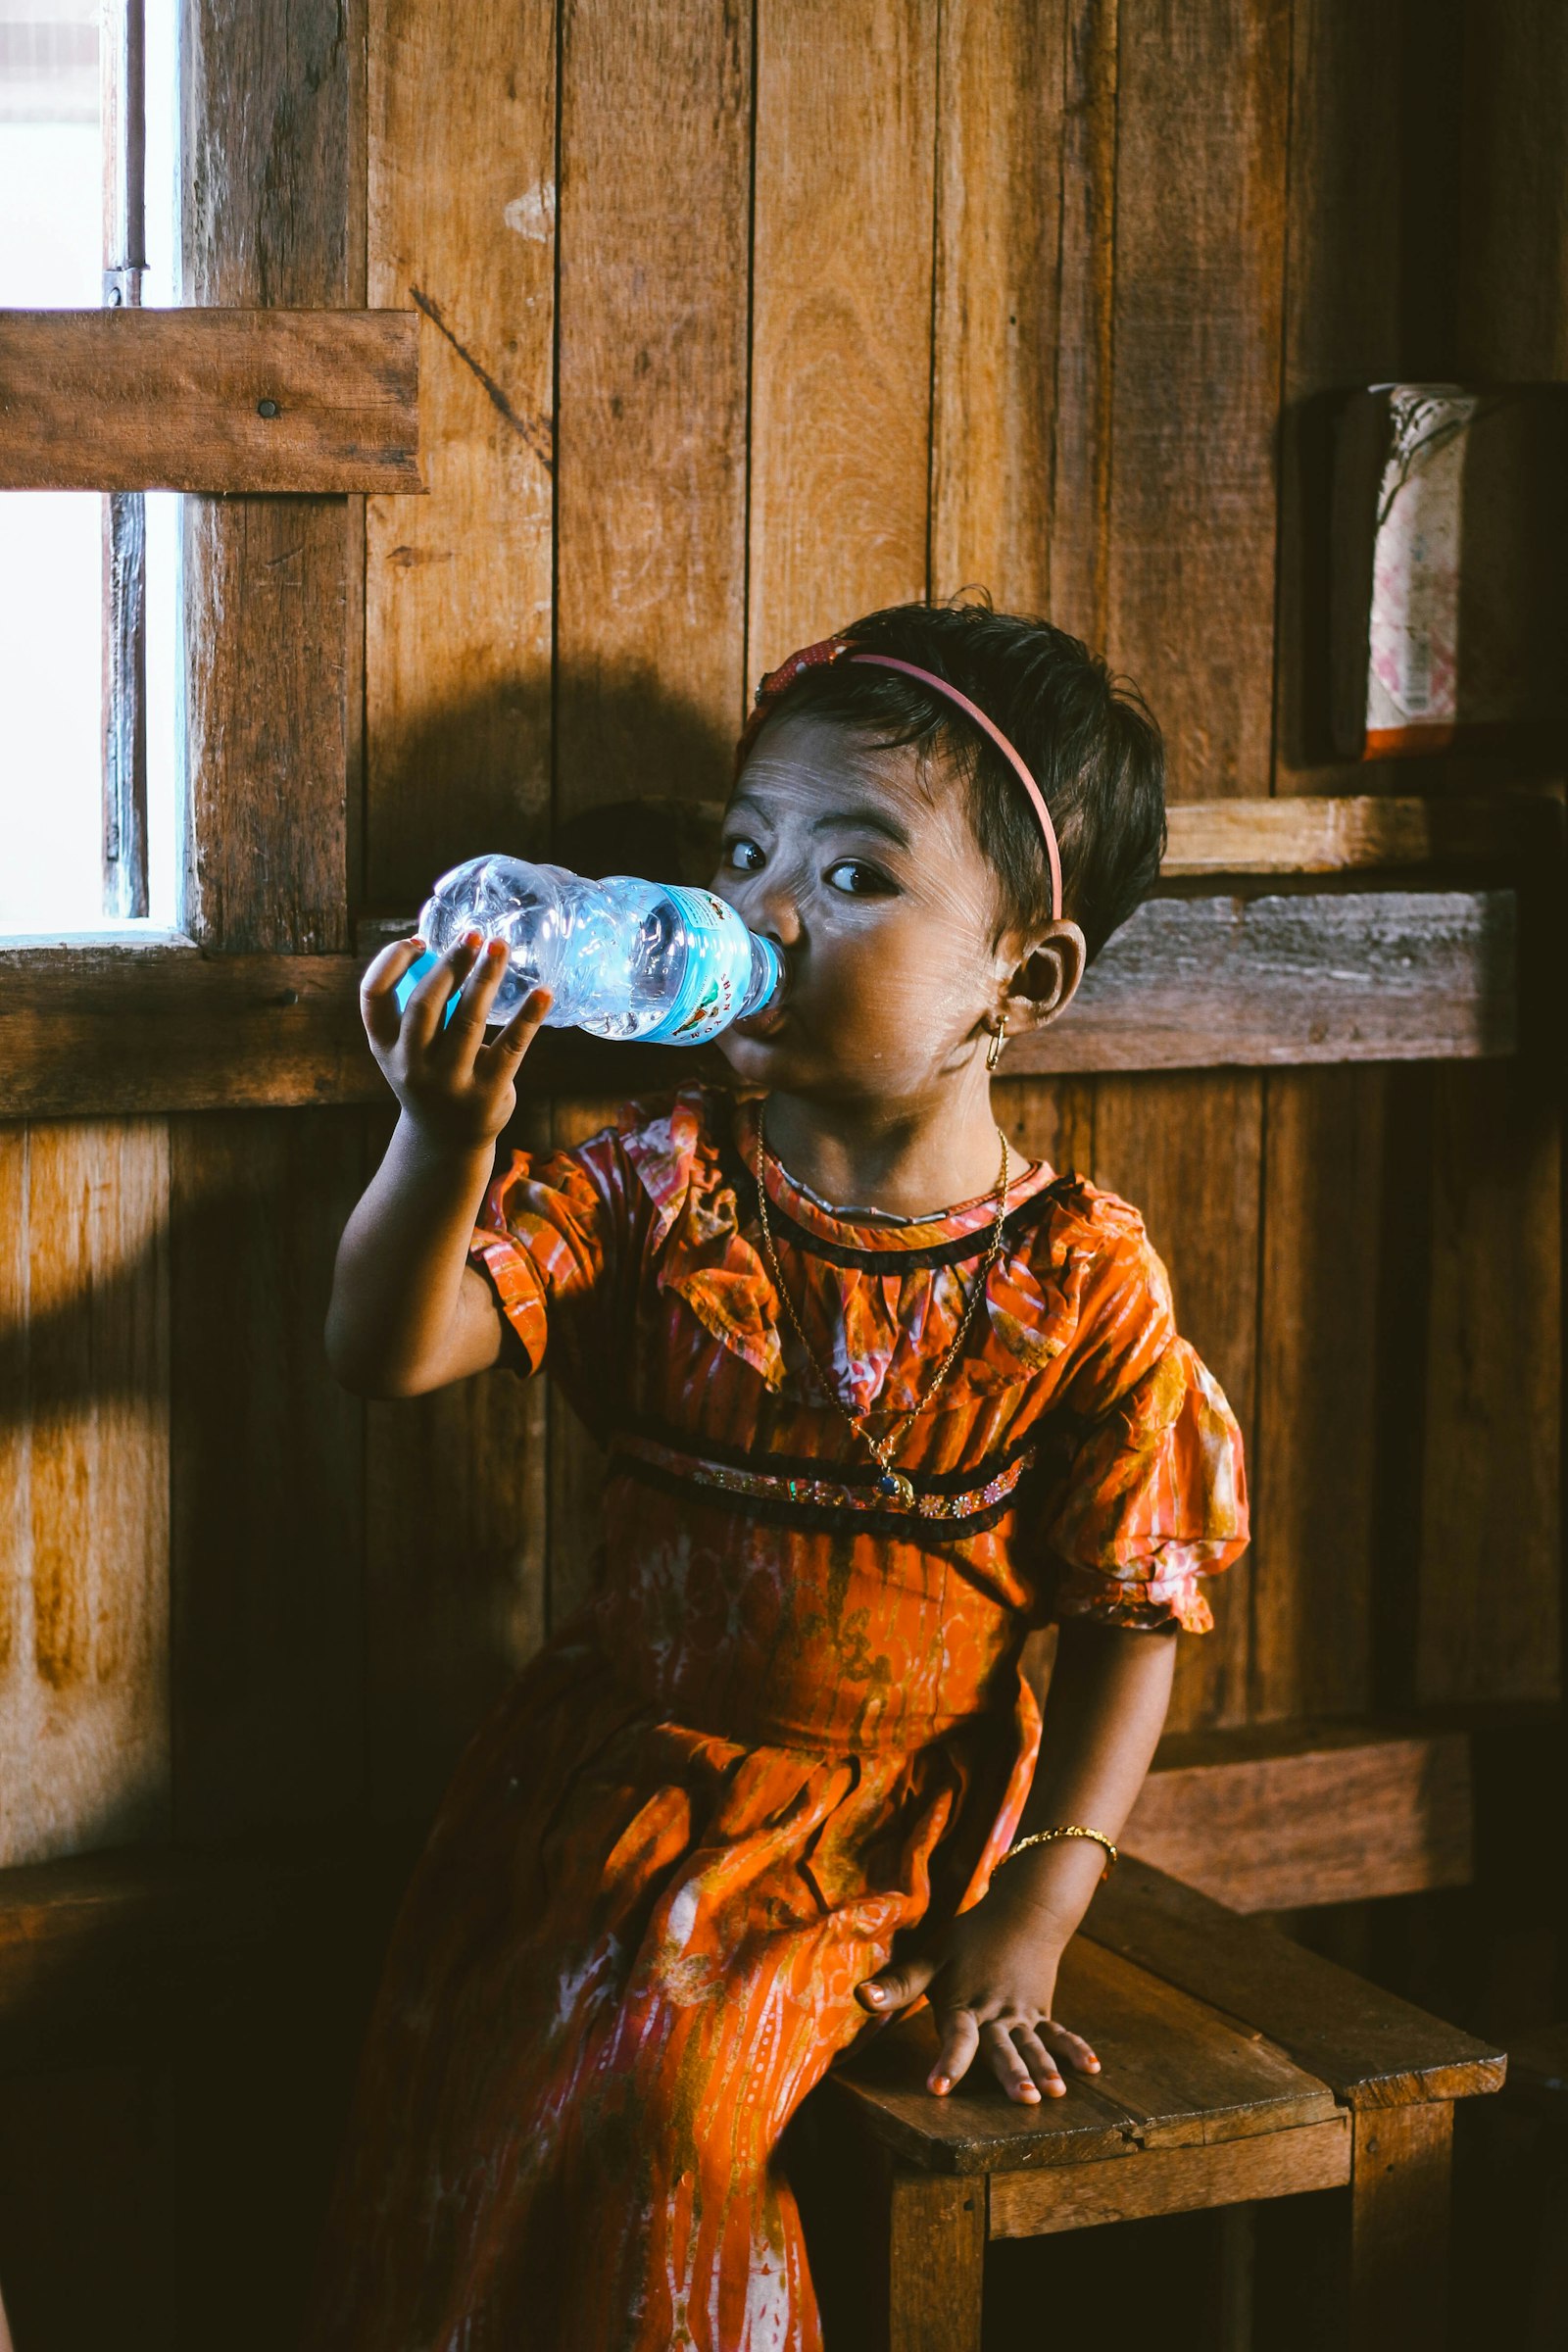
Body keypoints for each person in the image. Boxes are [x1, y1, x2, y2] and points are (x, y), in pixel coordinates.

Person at [307, 601, 1250, 2351]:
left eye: (859, 876)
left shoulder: (1079, 1283)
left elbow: (1138, 1611)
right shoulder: (667, 1179)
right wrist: (443, 1133)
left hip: (871, 1819)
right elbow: (394, 1347)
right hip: (597, 1783)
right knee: (462, 2058)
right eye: (745, 851)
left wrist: (1042, 1905)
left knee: (670, 2103)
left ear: (1019, 983)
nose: (762, 912)